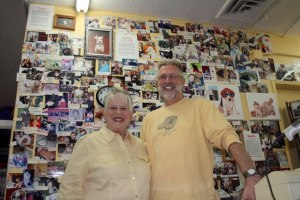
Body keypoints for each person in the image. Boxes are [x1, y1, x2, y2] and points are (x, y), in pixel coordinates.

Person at [141, 60, 261, 200]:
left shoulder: (201, 106)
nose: (168, 81)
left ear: (183, 81)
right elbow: (143, 163)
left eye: (173, 76)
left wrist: (251, 174)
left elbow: (227, 137)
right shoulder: (149, 119)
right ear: (157, 82)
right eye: (163, 77)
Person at [58, 88, 150, 200]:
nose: (118, 112)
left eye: (123, 108)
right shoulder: (87, 144)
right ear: (104, 113)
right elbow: (69, 190)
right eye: (113, 108)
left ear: (131, 114)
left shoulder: (140, 145)